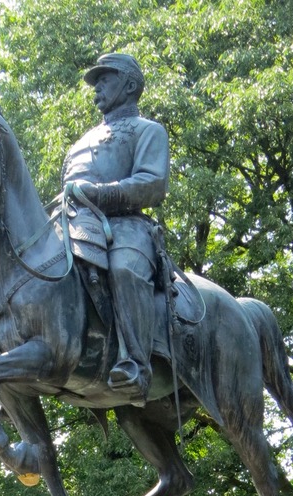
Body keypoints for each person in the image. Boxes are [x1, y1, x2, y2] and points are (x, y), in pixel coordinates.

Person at [62, 53, 169, 404]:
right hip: (74, 222)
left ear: (129, 85)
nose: (96, 89)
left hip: (128, 226)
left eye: (104, 80)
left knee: (124, 269)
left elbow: (152, 184)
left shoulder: (148, 130)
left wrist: (103, 194)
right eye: (96, 83)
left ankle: (136, 366)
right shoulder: (80, 141)